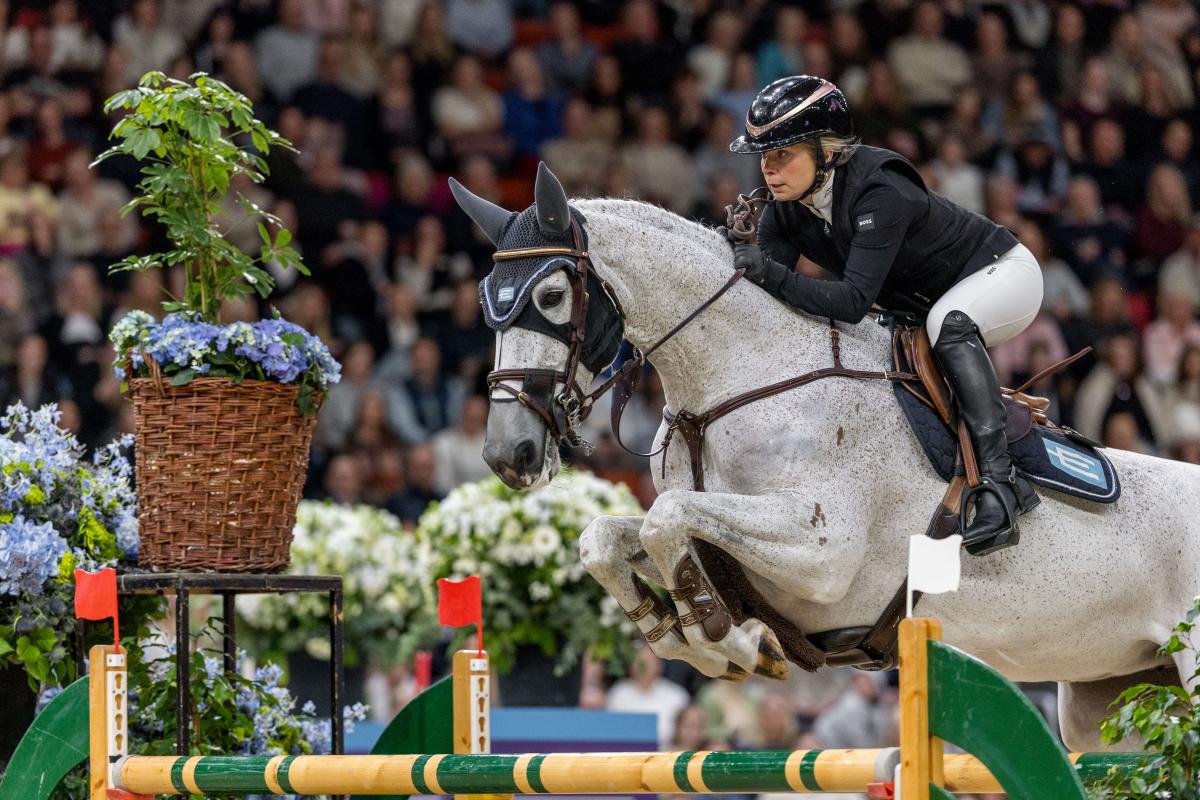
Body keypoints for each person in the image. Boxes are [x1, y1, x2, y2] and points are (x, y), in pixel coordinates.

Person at [726, 75, 1044, 555]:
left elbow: (852, 302)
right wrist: (739, 257)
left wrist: (766, 272)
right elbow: (769, 302)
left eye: (782, 155)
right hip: (921, 304)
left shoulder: (881, 190)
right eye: (764, 158)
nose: (768, 170)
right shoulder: (787, 207)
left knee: (948, 325)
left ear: (826, 152)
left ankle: (999, 489)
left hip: (1003, 274)